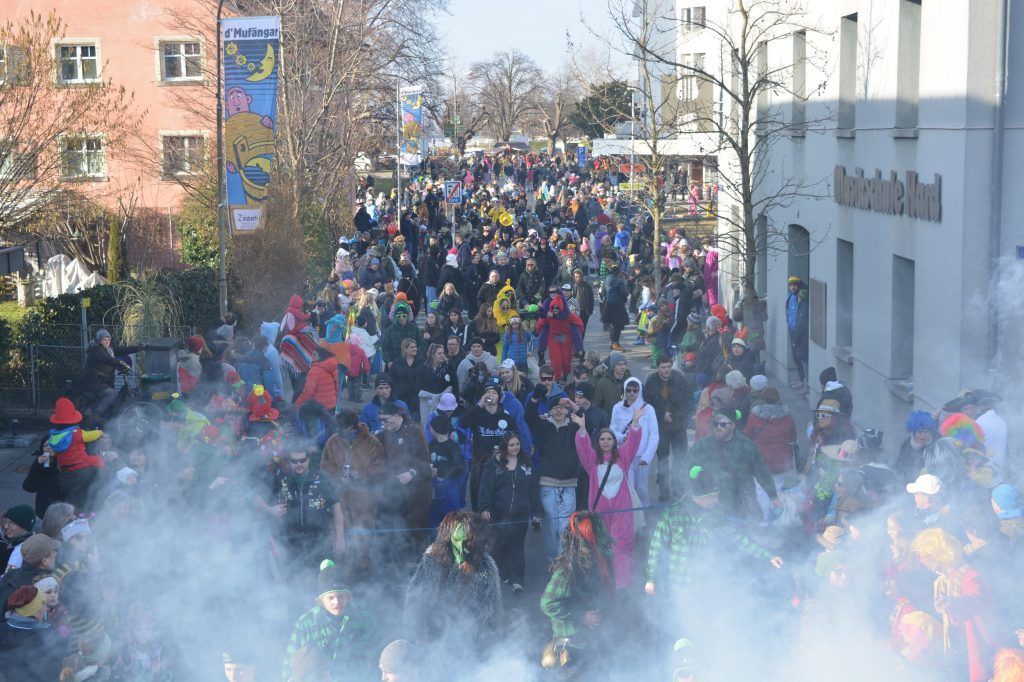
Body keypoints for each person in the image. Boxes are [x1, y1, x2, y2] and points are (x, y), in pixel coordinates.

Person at [911, 528, 1002, 681]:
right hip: (962, 650)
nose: (921, 561)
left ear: (938, 555)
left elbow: (977, 599)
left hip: (979, 648)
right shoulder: (946, 580)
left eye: (924, 556)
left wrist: (953, 603)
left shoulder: (969, 575)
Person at [404, 511, 502, 653]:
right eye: (457, 541)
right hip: (431, 640)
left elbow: (491, 616)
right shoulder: (432, 560)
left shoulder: (486, 568)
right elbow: (415, 600)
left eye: (468, 542)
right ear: (448, 538)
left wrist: (484, 651)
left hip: (466, 645)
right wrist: (415, 637)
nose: (462, 549)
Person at [573, 404, 646, 589]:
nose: (606, 441)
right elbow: (582, 447)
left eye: (609, 439)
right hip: (599, 512)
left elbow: (633, 442)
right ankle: (603, 581)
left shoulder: (623, 457)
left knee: (621, 545)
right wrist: (582, 429)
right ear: (598, 442)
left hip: (622, 511)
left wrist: (635, 423)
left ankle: (623, 583)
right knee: (600, 546)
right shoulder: (592, 461)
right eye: (602, 439)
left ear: (614, 441)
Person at [540, 511, 616, 676]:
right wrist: (581, 616)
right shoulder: (567, 571)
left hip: (591, 644)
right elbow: (548, 603)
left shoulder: (595, 564)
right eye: (598, 534)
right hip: (573, 650)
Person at [283, 561, 379, 681]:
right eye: (331, 597)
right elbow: (289, 664)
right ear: (320, 600)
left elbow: (376, 658)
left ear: (348, 597)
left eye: (341, 596)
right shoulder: (306, 623)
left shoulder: (365, 620)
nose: (337, 602)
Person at [261, 443, 345, 577]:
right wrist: (270, 509)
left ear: (309, 460)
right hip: (290, 543)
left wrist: (340, 538)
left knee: (323, 582)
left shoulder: (323, 479)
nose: (299, 464)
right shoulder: (281, 479)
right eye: (294, 461)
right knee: (294, 584)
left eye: (302, 460)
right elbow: (254, 496)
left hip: (320, 541)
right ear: (289, 462)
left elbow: (337, 508)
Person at [319, 411, 384, 578]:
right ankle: (342, 573)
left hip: (365, 499)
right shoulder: (333, 442)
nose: (338, 432)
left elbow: (380, 467)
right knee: (341, 535)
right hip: (340, 498)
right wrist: (339, 474)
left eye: (341, 428)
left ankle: (363, 572)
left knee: (364, 535)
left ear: (350, 427)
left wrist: (362, 474)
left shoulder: (372, 442)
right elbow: (324, 466)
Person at [687, 408, 780, 520]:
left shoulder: (747, 446)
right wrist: (691, 482)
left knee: (745, 534)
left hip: (742, 502)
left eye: (723, 424)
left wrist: (774, 497)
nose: (718, 427)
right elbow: (685, 470)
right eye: (715, 424)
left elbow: (762, 473)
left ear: (733, 425)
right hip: (714, 502)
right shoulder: (702, 446)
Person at [377, 402, 431, 572]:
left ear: (397, 416)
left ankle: (418, 563)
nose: (383, 424)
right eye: (381, 420)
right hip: (394, 488)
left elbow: (424, 461)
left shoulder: (413, 431)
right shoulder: (384, 434)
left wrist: (412, 473)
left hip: (417, 489)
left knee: (415, 525)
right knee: (387, 520)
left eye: (386, 420)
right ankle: (391, 559)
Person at [478, 432, 536, 592]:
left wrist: (536, 511)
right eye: (511, 445)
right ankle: (502, 574)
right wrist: (484, 508)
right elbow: (485, 487)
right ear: (505, 446)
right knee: (499, 545)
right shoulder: (494, 464)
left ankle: (518, 581)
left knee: (517, 546)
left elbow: (533, 489)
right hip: (498, 513)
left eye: (517, 444)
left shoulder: (526, 463)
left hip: (520, 513)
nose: (515, 447)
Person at [460, 380, 518, 511]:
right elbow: (462, 423)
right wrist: (479, 405)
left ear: (499, 397)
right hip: (480, 463)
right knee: (478, 494)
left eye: (494, 392)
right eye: (488, 392)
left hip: (502, 462)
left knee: (501, 498)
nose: (490, 394)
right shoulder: (476, 413)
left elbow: (516, 438)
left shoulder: (506, 416)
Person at [645, 356, 694, 502]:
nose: (666, 370)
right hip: (661, 428)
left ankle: (678, 487)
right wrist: (662, 414)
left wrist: (678, 417)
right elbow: (648, 404)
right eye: (662, 367)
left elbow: (688, 402)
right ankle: (664, 489)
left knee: (680, 458)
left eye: (668, 367)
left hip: (678, 426)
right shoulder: (651, 382)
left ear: (671, 366)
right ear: (657, 368)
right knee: (663, 459)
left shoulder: (680, 380)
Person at [47, 397, 106, 511]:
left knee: (73, 497)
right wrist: (100, 433)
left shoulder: (54, 436)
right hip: (80, 463)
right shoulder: (76, 433)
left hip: (65, 468)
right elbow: (89, 435)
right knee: (98, 461)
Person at [609, 377, 660, 508]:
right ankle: (631, 520)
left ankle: (643, 517)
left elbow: (654, 435)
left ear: (640, 391)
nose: (632, 393)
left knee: (642, 489)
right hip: (625, 455)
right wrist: (620, 437)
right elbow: (612, 429)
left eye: (635, 390)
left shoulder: (649, 409)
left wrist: (647, 457)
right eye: (629, 390)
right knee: (629, 489)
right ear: (624, 390)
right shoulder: (617, 408)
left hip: (642, 456)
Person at [0, 585, 66, 682]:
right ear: (34, 611)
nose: (46, 608)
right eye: (43, 604)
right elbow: (65, 652)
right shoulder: (48, 634)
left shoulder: (2, 629)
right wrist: (62, 626)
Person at [78, 329, 144, 418]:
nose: (107, 342)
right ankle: (96, 415)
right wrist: (120, 362)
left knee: (114, 395)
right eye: (105, 339)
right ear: (99, 340)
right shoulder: (95, 349)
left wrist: (139, 348)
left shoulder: (109, 350)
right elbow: (105, 359)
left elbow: (123, 350)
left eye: (108, 340)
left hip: (103, 382)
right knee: (111, 394)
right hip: (92, 382)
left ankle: (108, 417)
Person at [427, 414, 464, 529]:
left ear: (434, 428)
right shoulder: (431, 445)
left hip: (450, 494)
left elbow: (459, 468)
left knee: (451, 527)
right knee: (434, 527)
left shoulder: (453, 447)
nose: (429, 429)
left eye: (430, 427)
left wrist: (438, 472)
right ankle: (435, 546)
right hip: (434, 493)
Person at [894, 411, 938, 484]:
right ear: (913, 434)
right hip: (908, 483)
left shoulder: (934, 446)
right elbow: (899, 464)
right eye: (920, 432)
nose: (923, 436)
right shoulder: (907, 444)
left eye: (926, 432)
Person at [293, 346, 340, 413]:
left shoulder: (315, 370)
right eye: (311, 354)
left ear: (320, 356)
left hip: (319, 408)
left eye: (314, 354)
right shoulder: (332, 367)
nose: (312, 356)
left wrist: (296, 405)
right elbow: (336, 387)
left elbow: (308, 391)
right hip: (332, 405)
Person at [785, 276, 809, 393]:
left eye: (795, 285)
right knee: (795, 357)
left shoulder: (802, 297)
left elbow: (802, 318)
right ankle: (801, 379)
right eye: (791, 285)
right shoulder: (791, 296)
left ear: (798, 286)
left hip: (800, 333)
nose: (792, 287)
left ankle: (805, 382)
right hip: (792, 329)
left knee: (802, 357)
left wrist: (797, 335)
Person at [1, 504, 35, 572]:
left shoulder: (19, 553)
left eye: (10, 523)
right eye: (6, 522)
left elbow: (6, 580)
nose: (6, 526)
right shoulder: (31, 540)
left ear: (23, 525)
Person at [602, 264, 629, 350]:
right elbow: (624, 293)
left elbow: (602, 292)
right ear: (618, 272)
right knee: (618, 325)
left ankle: (612, 342)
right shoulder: (619, 281)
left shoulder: (606, 280)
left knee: (612, 325)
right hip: (618, 305)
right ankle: (615, 343)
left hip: (609, 304)